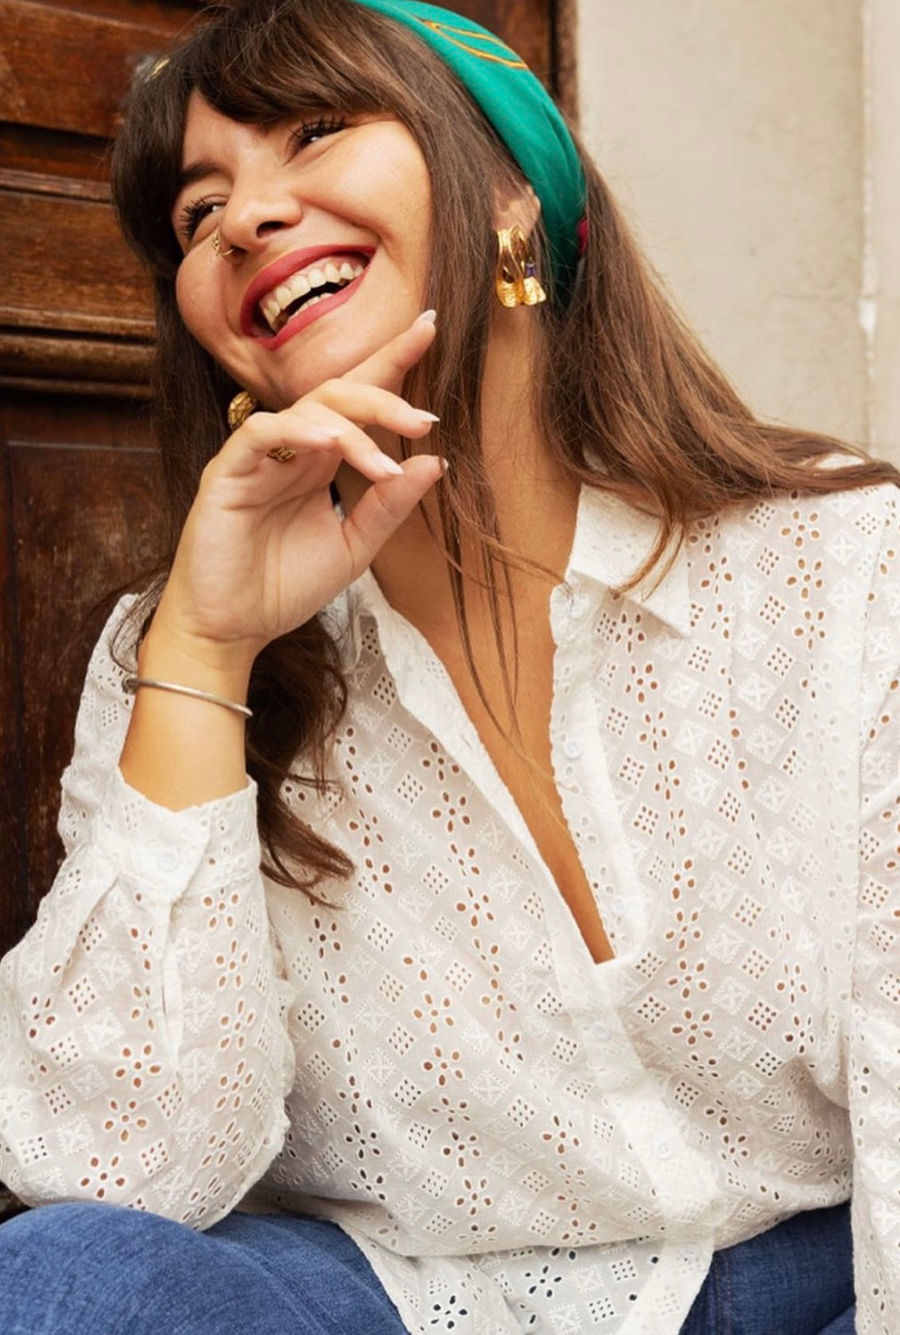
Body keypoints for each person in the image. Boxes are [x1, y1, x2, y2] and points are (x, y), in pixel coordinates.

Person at [0, 0, 897, 1331]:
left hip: (817, 1274)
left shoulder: (842, 563)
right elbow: (111, 1175)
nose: (245, 219)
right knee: (68, 1278)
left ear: (510, 194)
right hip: (412, 1302)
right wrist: (206, 649)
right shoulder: (171, 651)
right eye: (198, 212)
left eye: (316, 130)